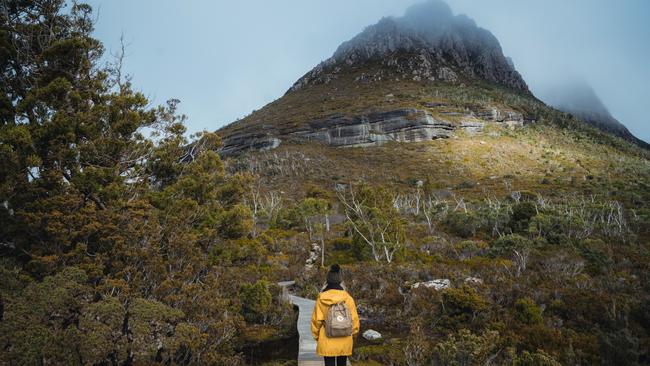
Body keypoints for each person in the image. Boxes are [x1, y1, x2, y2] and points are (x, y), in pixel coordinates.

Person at [311, 264, 360, 366]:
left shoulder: (321, 298)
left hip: (327, 338)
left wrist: (317, 336)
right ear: (340, 281)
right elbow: (354, 321)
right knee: (342, 363)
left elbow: (316, 321)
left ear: (327, 280)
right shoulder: (348, 298)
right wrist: (353, 334)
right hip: (345, 338)